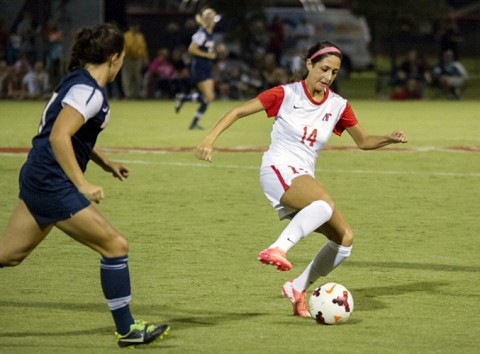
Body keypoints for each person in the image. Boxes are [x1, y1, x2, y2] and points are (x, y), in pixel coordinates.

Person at [196, 41, 407, 317]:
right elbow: (237, 111)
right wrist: (209, 139)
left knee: (344, 239)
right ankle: (277, 249)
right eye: (324, 69)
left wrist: (388, 139)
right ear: (309, 64)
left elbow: (364, 141)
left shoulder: (338, 105)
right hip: (277, 169)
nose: (328, 77)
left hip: (302, 176)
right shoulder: (286, 94)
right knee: (323, 204)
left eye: (334, 73)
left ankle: (297, 288)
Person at [0, 24, 170, 347]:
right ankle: (128, 330)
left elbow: (73, 134)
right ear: (116, 58)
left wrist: (105, 162)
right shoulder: (88, 90)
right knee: (116, 245)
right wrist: (82, 183)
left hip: (39, 174)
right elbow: (59, 135)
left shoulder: (78, 82)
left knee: (8, 255)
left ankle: (127, 330)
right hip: (53, 181)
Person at [175, 8, 219, 130]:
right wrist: (208, 55)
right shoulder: (201, 33)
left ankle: (192, 118)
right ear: (204, 20)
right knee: (208, 97)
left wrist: (214, 53)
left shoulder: (210, 34)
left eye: (212, 18)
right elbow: (192, 49)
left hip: (207, 67)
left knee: (209, 98)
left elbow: (207, 50)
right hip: (199, 67)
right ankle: (184, 99)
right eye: (208, 18)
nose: (211, 21)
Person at [122, 24, 148, 99]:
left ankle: (137, 95)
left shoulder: (140, 36)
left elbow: (143, 48)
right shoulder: (126, 36)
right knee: (127, 77)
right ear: (130, 27)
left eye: (136, 26)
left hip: (138, 59)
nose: (135, 28)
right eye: (133, 26)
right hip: (128, 58)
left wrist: (145, 59)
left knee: (138, 77)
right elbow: (123, 48)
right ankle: (128, 95)